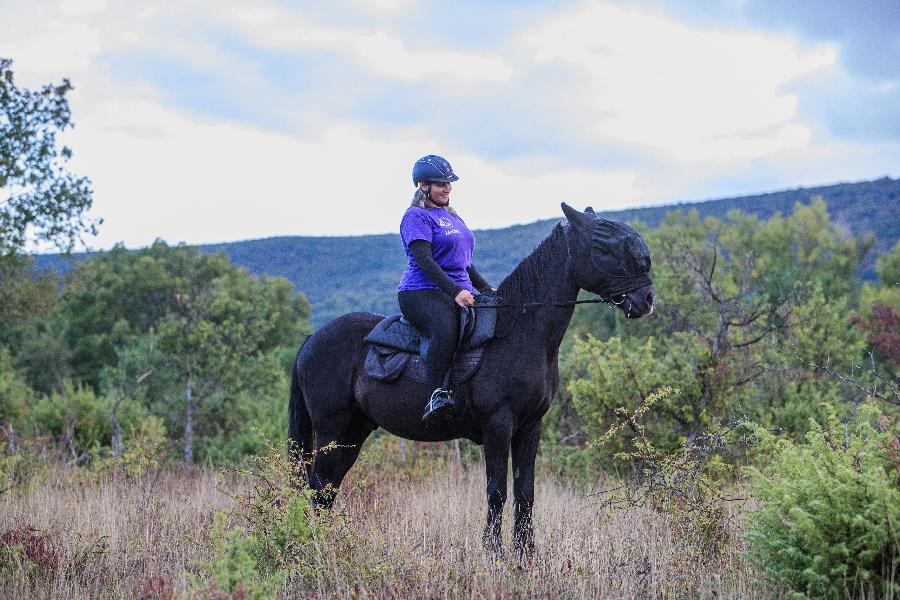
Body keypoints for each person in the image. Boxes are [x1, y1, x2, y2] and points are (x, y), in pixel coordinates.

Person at [397, 155, 494, 424]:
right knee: (445, 326)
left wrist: (485, 288)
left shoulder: (452, 217)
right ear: (422, 184)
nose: (448, 188)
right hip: (420, 290)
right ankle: (436, 394)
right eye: (441, 183)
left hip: (457, 290)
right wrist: (455, 292)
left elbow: (465, 262)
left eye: (449, 183)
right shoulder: (415, 216)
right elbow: (424, 261)